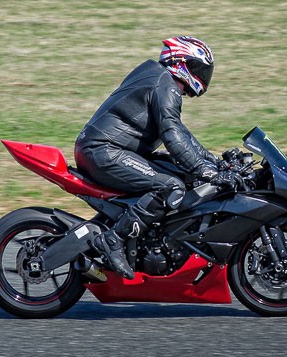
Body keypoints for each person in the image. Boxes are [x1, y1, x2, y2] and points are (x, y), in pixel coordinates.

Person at [74, 36, 240, 279]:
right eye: (199, 69)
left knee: (180, 174)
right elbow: (172, 136)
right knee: (170, 186)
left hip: (107, 150)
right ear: (181, 62)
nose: (202, 76)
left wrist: (216, 163)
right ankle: (114, 239)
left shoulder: (160, 79)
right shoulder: (166, 85)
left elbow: (181, 134)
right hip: (104, 151)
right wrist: (208, 172)